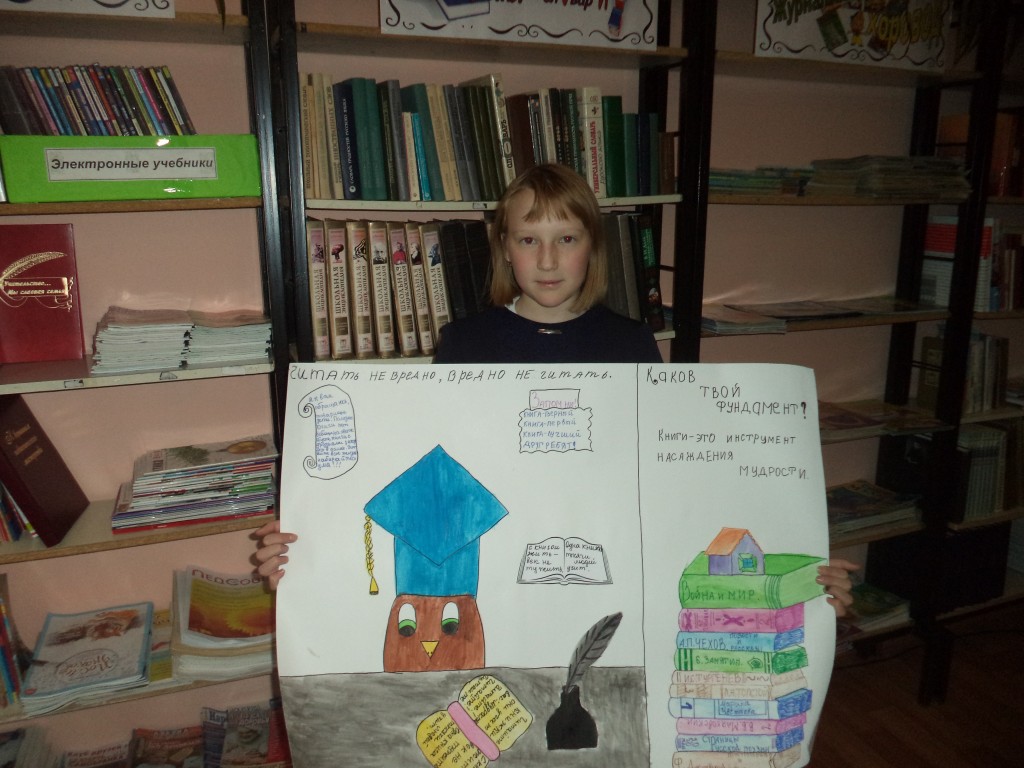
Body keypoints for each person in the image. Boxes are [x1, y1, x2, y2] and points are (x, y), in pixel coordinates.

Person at [254, 163, 857, 615]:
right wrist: (314, 544)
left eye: (566, 239)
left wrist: (797, 557)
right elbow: (427, 473)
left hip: (608, 573)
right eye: (528, 240)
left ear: (592, 246)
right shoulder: (464, 344)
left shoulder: (630, 344)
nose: (547, 260)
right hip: (501, 579)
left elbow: (681, 475)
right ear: (504, 249)